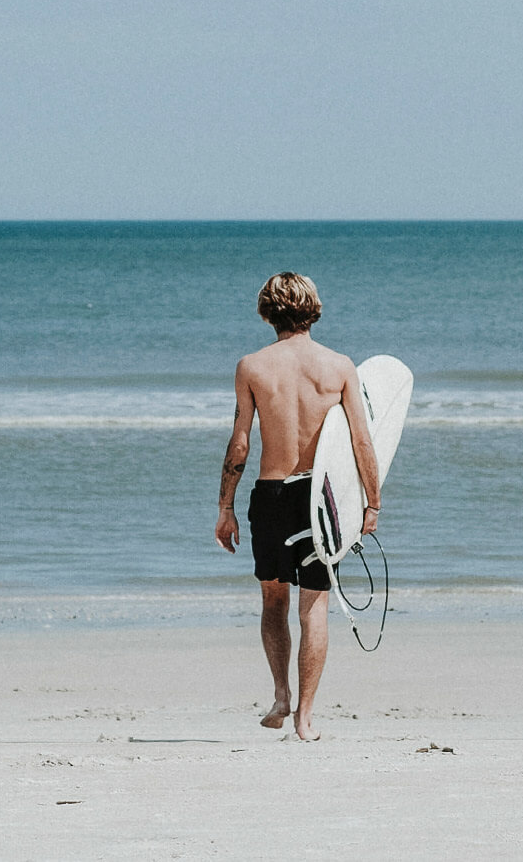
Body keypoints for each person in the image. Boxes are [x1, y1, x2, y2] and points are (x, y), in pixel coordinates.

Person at [215, 272, 381, 742]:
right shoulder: (339, 367)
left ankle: (280, 696)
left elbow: (240, 443)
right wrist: (372, 503)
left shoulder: (251, 366)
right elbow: (361, 441)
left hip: (271, 495)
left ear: (267, 311)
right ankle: (306, 719)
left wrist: (225, 506)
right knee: (315, 604)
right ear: (313, 308)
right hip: (319, 499)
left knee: (273, 599)